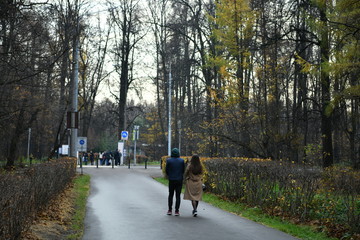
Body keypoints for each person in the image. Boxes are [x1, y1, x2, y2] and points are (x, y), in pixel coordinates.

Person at [165, 148, 185, 216]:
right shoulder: (182, 161)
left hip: (171, 179)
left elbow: (166, 170)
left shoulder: (169, 160)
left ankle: (170, 210)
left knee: (170, 195)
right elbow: (183, 170)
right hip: (179, 179)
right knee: (178, 195)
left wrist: (170, 175)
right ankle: (177, 210)